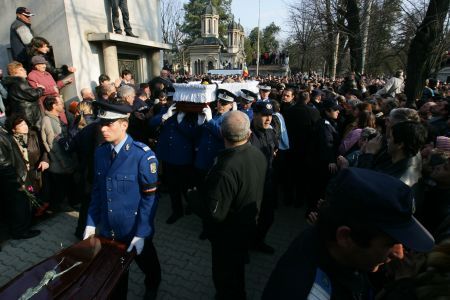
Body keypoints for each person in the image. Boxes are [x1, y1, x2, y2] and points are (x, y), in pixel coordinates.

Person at [262, 167, 435, 300]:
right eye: (391, 243)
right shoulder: (306, 291)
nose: (400, 253)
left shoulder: (333, 251)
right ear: (345, 237)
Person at [84, 99, 161, 299]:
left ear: (124, 125)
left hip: (134, 229)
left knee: (149, 266)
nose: (103, 129)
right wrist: (91, 223)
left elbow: (150, 199)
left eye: (109, 124)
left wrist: (143, 232)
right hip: (109, 230)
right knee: (115, 278)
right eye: (101, 123)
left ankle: (152, 287)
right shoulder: (100, 153)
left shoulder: (142, 156)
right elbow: (97, 191)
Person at [199, 111, 267, 300]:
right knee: (237, 272)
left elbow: (215, 213)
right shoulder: (258, 153)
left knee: (225, 279)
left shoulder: (225, 167)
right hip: (247, 226)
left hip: (228, 236)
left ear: (221, 134)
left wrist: (195, 200)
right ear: (249, 134)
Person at [249, 101, 278, 254]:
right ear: (255, 115)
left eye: (270, 116)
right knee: (250, 219)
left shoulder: (271, 132)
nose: (268, 119)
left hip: (267, 181)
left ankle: (258, 241)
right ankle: (245, 246)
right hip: (252, 185)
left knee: (268, 217)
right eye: (264, 116)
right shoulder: (247, 134)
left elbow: (274, 149)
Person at [41, 96, 77, 211]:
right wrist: (65, 164)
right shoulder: (47, 120)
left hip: (66, 161)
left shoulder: (56, 118)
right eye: (60, 103)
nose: (63, 105)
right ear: (53, 106)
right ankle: (62, 206)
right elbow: (53, 145)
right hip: (60, 164)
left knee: (68, 184)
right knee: (61, 187)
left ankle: (71, 202)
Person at [2, 61, 44, 129]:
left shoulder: (12, 84)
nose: (24, 70)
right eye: (21, 70)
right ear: (14, 73)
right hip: (30, 118)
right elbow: (33, 95)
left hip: (24, 116)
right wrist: (41, 88)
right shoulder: (19, 83)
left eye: (24, 69)